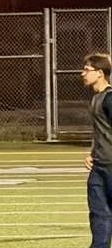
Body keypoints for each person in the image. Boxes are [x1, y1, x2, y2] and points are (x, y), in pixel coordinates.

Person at [82, 52, 112, 248]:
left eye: (87, 70)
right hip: (99, 166)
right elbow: (100, 131)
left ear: (100, 73)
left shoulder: (109, 99)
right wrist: (92, 153)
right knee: (99, 215)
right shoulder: (96, 99)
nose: (82, 73)